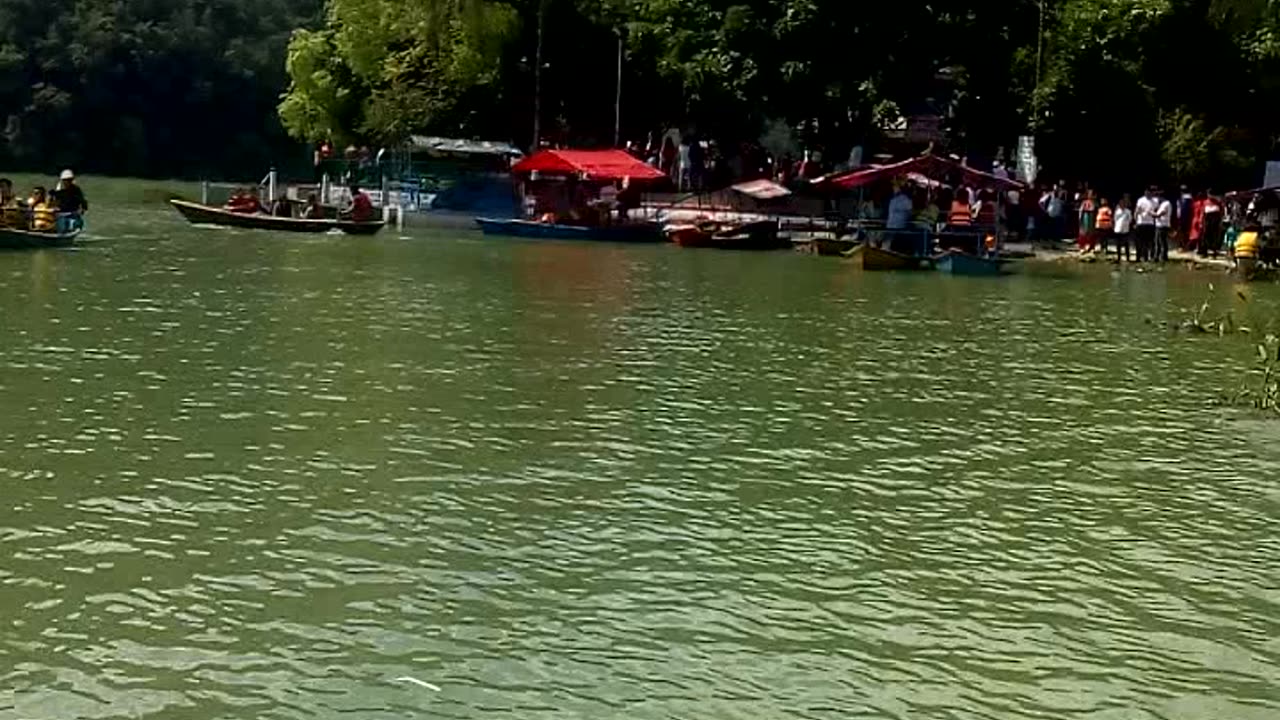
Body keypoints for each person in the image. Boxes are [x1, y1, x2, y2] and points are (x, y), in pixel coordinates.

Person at [1134, 187, 1157, 262]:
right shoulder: (1141, 200)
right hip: (1141, 222)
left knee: (1150, 241)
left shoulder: (1155, 201)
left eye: (1149, 192)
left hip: (1150, 223)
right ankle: (1142, 256)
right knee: (1141, 241)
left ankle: (1151, 256)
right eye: (1146, 192)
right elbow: (1137, 211)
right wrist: (1135, 221)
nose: (1148, 193)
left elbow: (1156, 210)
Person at [1154, 188, 1172, 262]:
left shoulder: (1166, 204)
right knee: (1158, 241)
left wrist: (1150, 213)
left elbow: (1160, 214)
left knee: (1161, 242)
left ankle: (1163, 256)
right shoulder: (1162, 204)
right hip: (1159, 225)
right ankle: (1157, 256)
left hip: (1163, 225)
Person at [1113, 195, 1133, 262]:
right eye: (1121, 204)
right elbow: (1115, 219)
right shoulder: (1117, 211)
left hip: (1125, 230)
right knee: (1118, 244)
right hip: (1118, 229)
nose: (1122, 205)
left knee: (1126, 244)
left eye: (1123, 204)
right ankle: (1118, 257)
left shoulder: (1128, 211)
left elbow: (1130, 220)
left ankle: (1127, 257)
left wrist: (1126, 225)